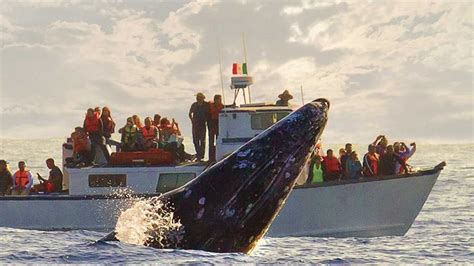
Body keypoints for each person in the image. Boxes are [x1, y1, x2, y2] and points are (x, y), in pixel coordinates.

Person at [189, 92, 210, 162]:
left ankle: (201, 156)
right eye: (197, 97)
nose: (198, 98)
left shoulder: (206, 105)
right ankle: (198, 155)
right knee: (195, 140)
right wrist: (192, 120)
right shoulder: (194, 105)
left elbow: (210, 113)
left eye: (199, 97)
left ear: (203, 98)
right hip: (195, 125)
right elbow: (190, 114)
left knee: (202, 140)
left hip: (202, 124)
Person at [208, 94, 224, 162]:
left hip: (218, 123)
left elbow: (227, 106)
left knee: (218, 141)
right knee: (211, 141)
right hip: (212, 123)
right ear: (216, 99)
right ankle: (210, 158)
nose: (220, 101)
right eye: (219, 99)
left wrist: (232, 105)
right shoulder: (210, 104)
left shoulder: (222, 106)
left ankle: (217, 156)